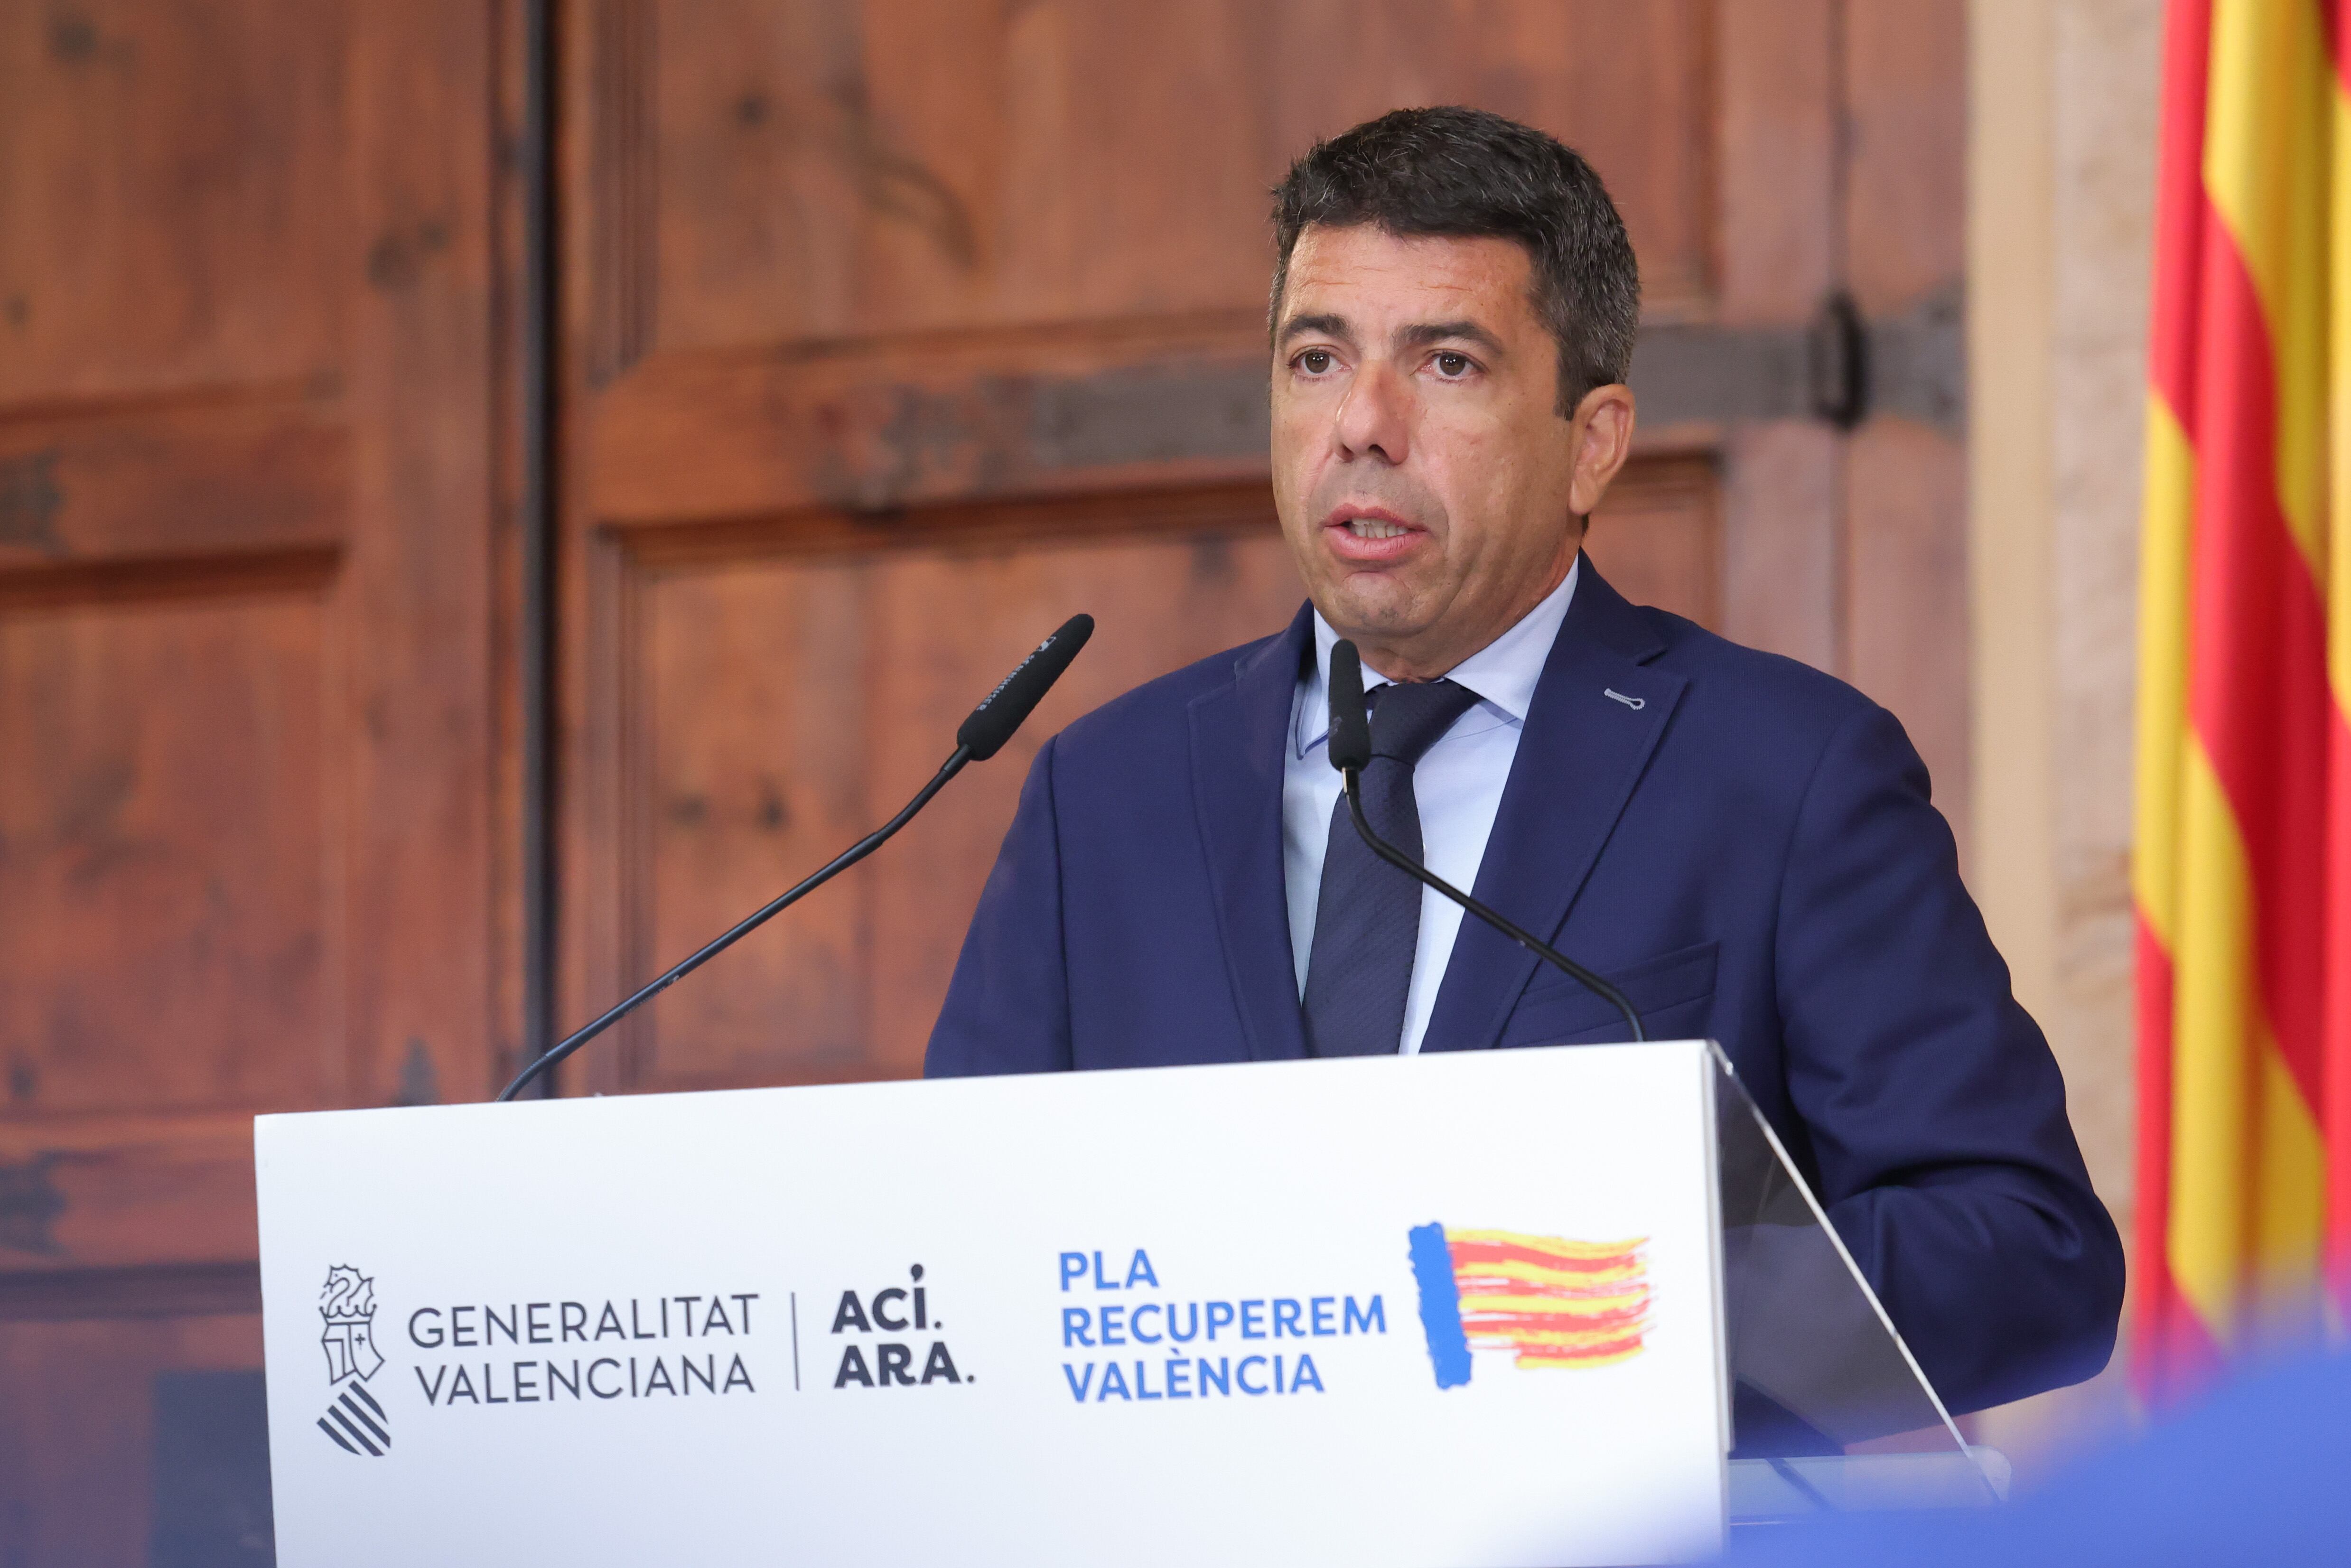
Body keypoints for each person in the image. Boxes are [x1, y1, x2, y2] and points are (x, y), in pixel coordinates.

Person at [925, 106, 2122, 1419]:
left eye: (1445, 365)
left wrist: (1627, 1307)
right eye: (1315, 359)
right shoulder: (1102, 796)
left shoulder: (1785, 778)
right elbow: (953, 1259)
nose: (1361, 427)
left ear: (1591, 441)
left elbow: (2026, 1262)